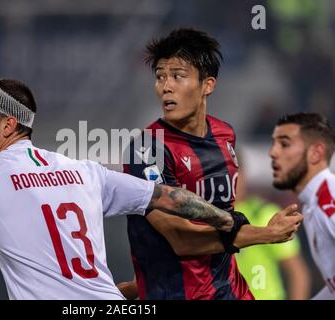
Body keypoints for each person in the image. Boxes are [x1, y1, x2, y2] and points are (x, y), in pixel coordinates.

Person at [0, 78, 243, 300]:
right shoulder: (85, 171)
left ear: (8, 125)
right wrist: (228, 220)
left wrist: (16, 250)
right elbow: (169, 196)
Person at [118, 28, 303, 300]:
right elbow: (180, 240)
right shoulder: (146, 149)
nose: (166, 86)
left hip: (232, 291)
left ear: (208, 85)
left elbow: (222, 216)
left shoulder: (225, 135)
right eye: (160, 77)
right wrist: (264, 234)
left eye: (178, 76)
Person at [270, 112, 335, 300]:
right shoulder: (312, 204)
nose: (273, 152)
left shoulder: (328, 195)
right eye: (274, 143)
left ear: (316, 153)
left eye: (284, 144)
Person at [235, 156, 311, 300]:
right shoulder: (203, 219)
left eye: (234, 173)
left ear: (243, 175)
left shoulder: (263, 215)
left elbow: (297, 272)